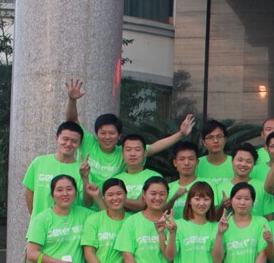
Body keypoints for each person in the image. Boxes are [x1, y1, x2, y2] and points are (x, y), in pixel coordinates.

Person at [65, 78, 194, 188]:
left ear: (119, 135)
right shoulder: (88, 142)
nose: (107, 137)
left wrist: (181, 134)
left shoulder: (124, 152)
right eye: (103, 133)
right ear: (96, 133)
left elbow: (154, 147)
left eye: (112, 133)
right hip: (82, 202)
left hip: (109, 204)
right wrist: (72, 100)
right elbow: (72, 121)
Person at [215, 143, 274, 219]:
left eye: (248, 161)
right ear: (232, 161)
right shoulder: (220, 187)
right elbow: (213, 220)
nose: (243, 164)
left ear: (254, 164)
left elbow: (268, 218)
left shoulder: (263, 187)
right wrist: (222, 206)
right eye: (240, 160)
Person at [114, 134, 162, 213]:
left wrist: (117, 199)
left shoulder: (155, 177)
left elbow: (144, 204)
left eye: (137, 149)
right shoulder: (115, 179)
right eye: (128, 150)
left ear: (145, 153)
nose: (133, 154)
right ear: (122, 153)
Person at [166, 141, 206, 218]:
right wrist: (174, 198)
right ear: (175, 163)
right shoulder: (167, 188)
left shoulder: (208, 185)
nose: (186, 163)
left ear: (197, 162)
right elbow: (160, 213)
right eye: (182, 159)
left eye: (191, 159)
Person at [196, 119, 235, 187]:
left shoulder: (236, 163)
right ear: (204, 143)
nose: (215, 141)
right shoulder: (196, 164)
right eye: (210, 137)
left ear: (225, 140)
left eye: (219, 136)